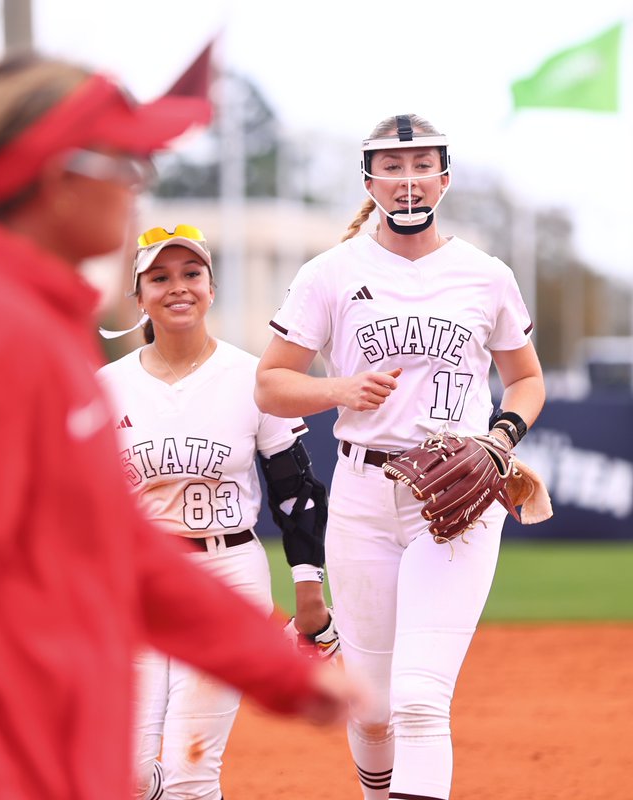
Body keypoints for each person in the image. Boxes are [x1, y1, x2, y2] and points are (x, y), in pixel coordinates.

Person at [0, 41, 359, 800]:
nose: (137, 188)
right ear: (60, 178)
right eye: (125, 164)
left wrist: (279, 670)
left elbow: (116, 549)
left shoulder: (39, 328)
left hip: (51, 753)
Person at [254, 114, 546, 800]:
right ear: (369, 180)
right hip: (360, 494)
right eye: (392, 165)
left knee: (418, 699)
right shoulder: (330, 273)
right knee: (375, 705)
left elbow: (526, 379)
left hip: (458, 496)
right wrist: (339, 388)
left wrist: (500, 438)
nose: (407, 179)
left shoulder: (484, 274)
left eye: (421, 165)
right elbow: (271, 383)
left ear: (443, 178)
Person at [97, 224, 337, 800]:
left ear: (211, 287)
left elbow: (295, 489)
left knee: (191, 773)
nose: (177, 287)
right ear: (139, 297)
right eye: (159, 277)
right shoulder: (107, 387)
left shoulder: (253, 379)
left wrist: (308, 588)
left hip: (228, 575)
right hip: (140, 583)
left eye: (191, 274)